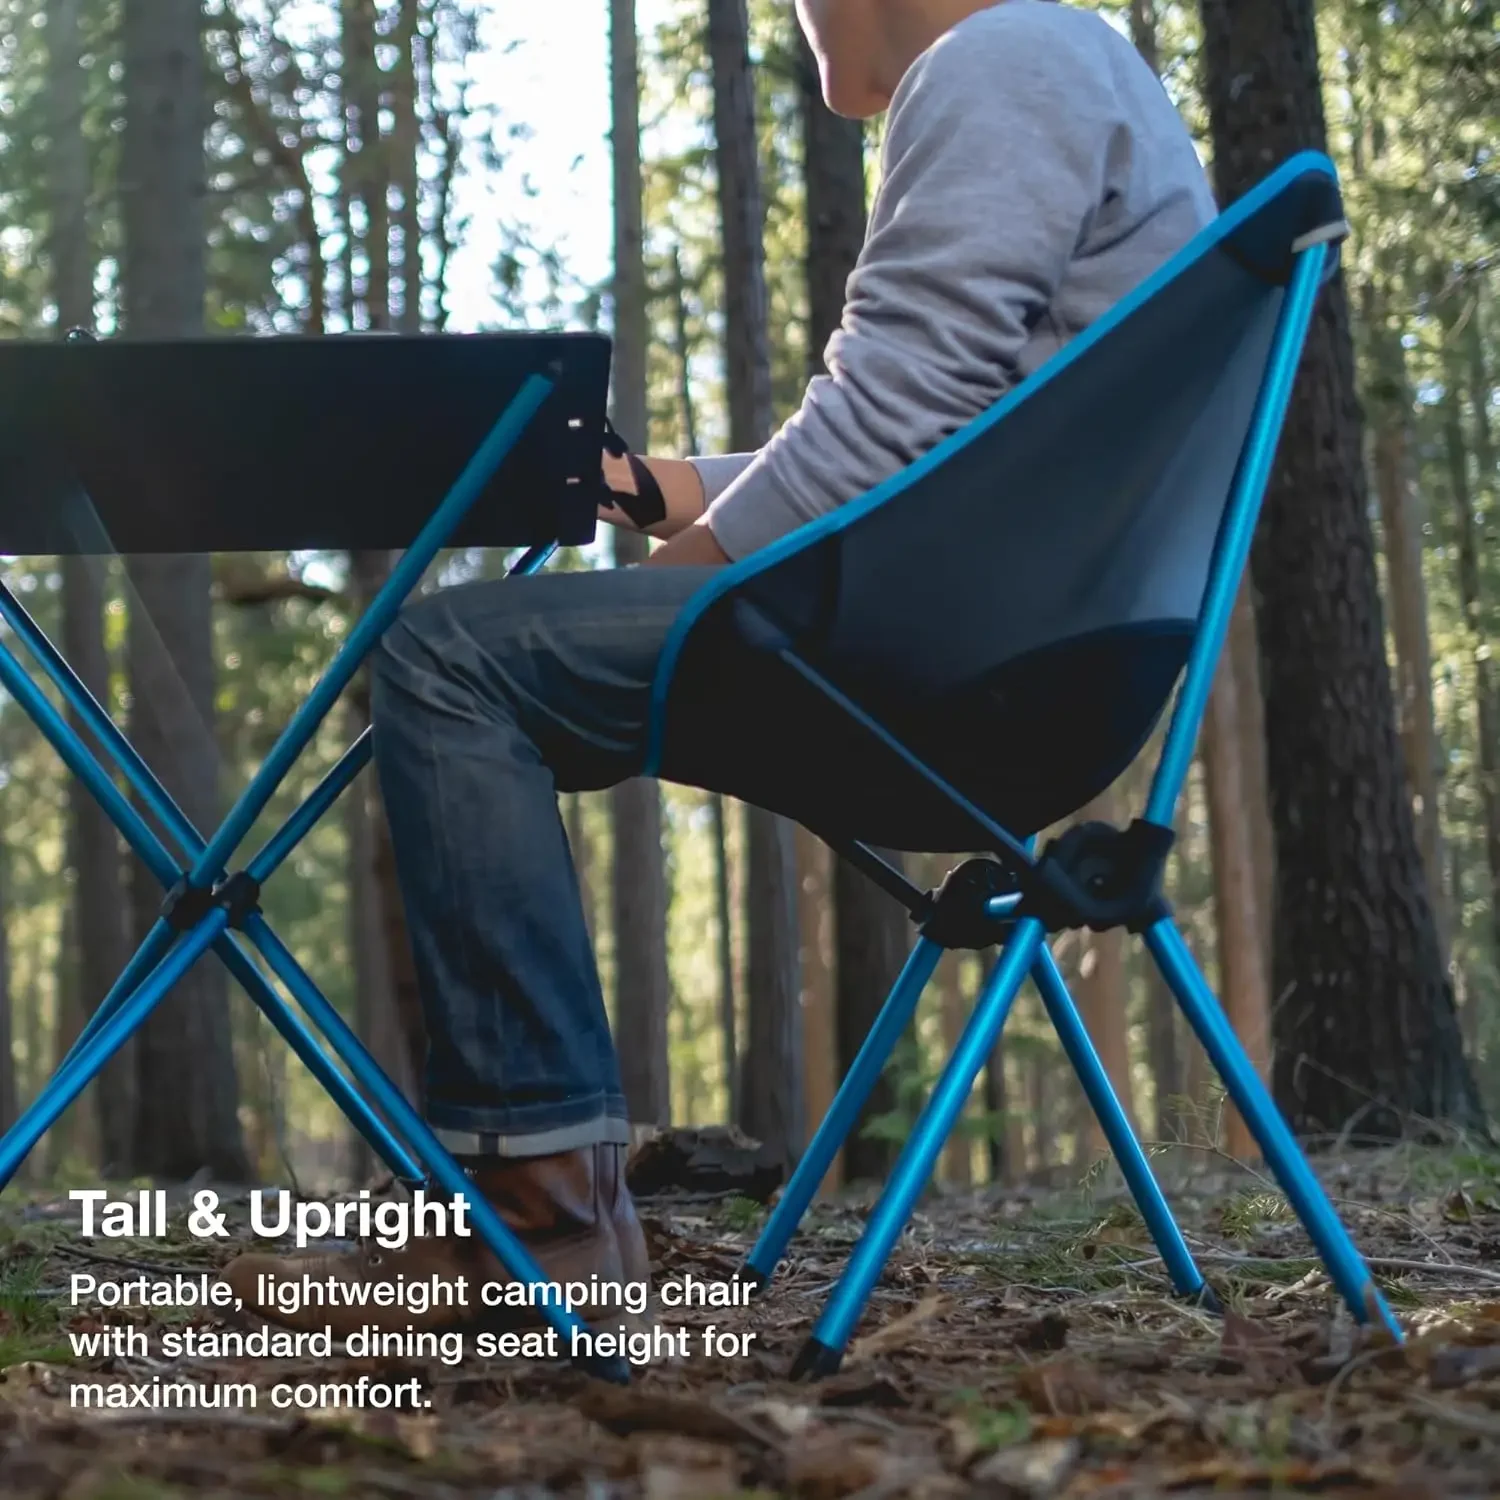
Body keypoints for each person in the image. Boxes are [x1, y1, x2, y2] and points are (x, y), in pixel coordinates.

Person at [222, 0, 1216, 1335]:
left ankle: (541, 1221)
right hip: (1048, 655)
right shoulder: (1077, 67)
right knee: (488, 651)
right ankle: (548, 1203)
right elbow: (953, 443)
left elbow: (882, 438)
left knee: (449, 657)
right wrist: (673, 491)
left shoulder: (1000, 58)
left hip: (946, 661)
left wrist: (671, 585)